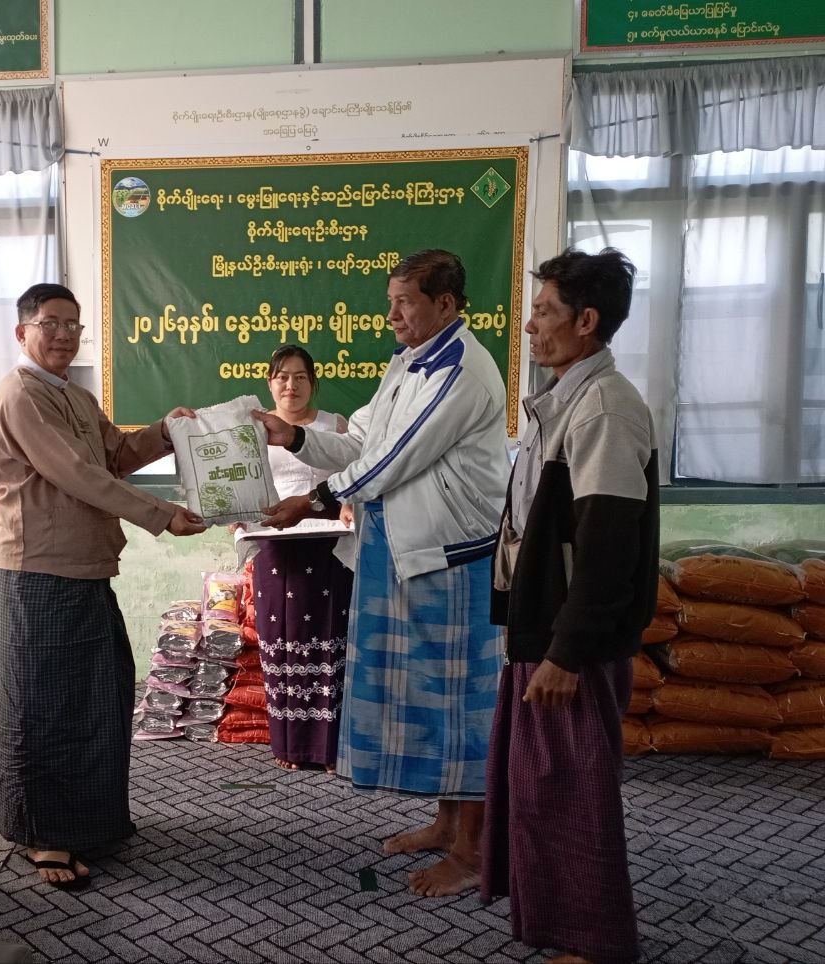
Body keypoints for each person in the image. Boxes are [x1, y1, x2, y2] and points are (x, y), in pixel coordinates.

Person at [256, 249, 510, 897]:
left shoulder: (461, 369)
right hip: (407, 554)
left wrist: (314, 498)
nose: (391, 314)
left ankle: (474, 851)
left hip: (454, 561)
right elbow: (360, 440)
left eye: (405, 302)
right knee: (431, 701)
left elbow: (390, 461)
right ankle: (447, 825)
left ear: (445, 304)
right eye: (390, 301)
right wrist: (292, 438)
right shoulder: (408, 361)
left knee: (464, 708)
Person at [0, 282, 205, 891]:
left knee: (98, 698)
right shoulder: (20, 395)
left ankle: (86, 819)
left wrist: (165, 430)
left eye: (73, 325)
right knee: (43, 706)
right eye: (50, 323)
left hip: (85, 569)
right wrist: (161, 514)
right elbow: (77, 475)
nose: (63, 335)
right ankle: (43, 832)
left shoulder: (73, 396)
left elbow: (115, 455)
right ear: (22, 331)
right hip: (37, 574)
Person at [480, 248, 657, 964]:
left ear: (586, 321)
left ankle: (594, 942)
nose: (530, 326)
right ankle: (560, 925)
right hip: (543, 629)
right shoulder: (566, 400)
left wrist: (566, 654)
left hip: (567, 644)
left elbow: (609, 546)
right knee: (541, 787)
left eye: (544, 312)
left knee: (574, 791)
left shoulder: (606, 408)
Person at [238, 346, 353, 772]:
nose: (291, 385)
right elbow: (240, 484)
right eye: (283, 377)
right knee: (281, 643)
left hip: (329, 548)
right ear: (270, 383)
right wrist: (236, 515)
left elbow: (354, 478)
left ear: (313, 382)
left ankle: (328, 749)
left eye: (301, 377)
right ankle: (288, 746)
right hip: (274, 548)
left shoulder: (335, 426)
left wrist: (350, 503)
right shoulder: (253, 430)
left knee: (329, 640)